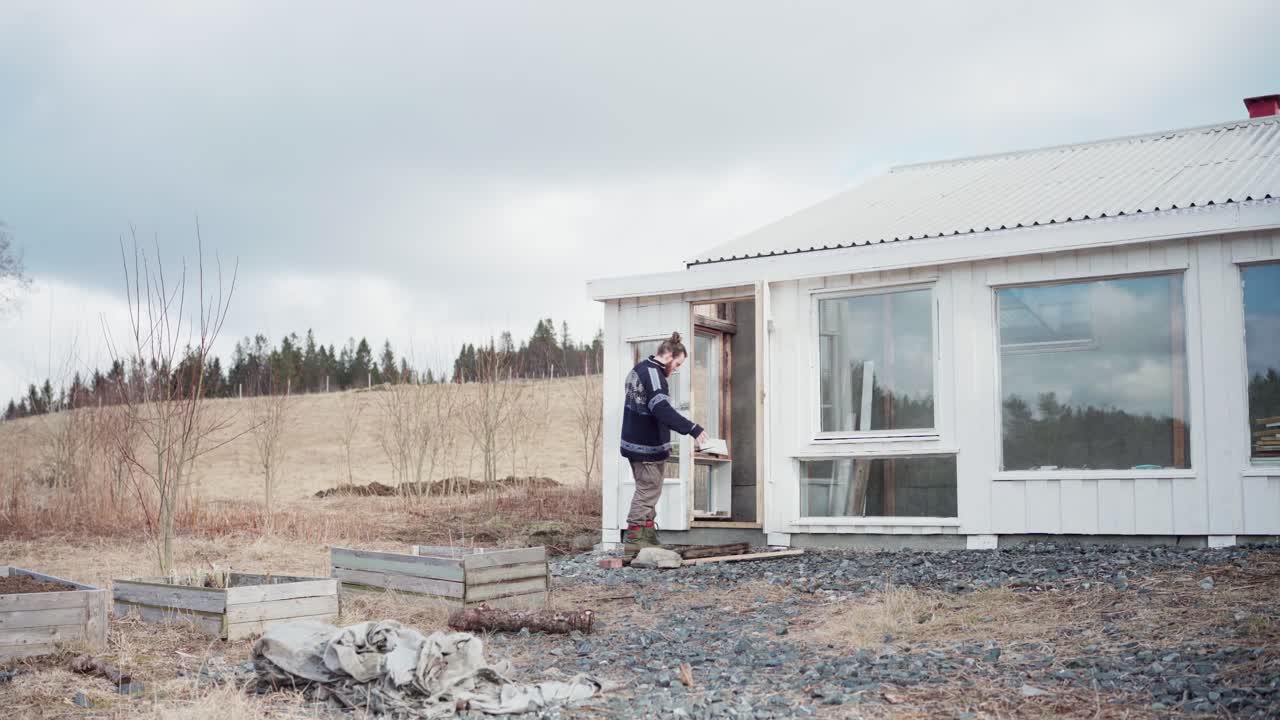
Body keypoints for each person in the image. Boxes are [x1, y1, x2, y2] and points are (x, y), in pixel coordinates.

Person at [619, 331, 708, 554]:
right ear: (668, 355)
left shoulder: (639, 369)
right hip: (645, 445)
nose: (676, 369)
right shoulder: (654, 375)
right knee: (648, 489)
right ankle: (635, 537)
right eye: (677, 363)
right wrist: (692, 428)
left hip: (638, 442)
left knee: (650, 489)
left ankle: (647, 535)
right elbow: (661, 409)